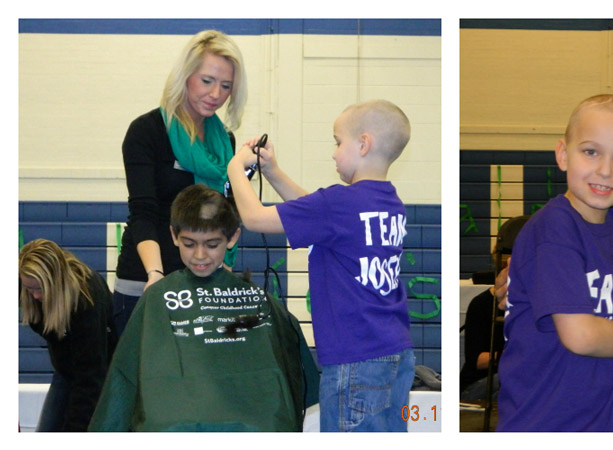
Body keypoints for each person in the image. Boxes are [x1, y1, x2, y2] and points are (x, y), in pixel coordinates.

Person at [227, 99, 414, 432]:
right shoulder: (389, 202)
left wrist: (234, 169)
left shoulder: (340, 203)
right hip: (396, 356)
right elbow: (314, 213)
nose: (333, 152)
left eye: (338, 141)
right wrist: (272, 172)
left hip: (355, 361)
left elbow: (254, 217)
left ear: (363, 143)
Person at [89, 184, 319, 431]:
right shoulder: (156, 298)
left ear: (232, 238)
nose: (200, 255)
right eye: (189, 244)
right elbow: (123, 379)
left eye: (211, 244)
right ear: (174, 236)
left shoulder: (260, 301)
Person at [496, 94, 613, 432]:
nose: (605, 170)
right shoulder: (554, 229)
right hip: (549, 420)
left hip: (610, 416)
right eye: (591, 151)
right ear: (563, 154)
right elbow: (580, 335)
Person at [113, 29, 247, 336]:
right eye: (207, 81)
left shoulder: (224, 142)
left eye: (226, 86)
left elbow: (226, 218)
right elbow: (143, 213)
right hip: (147, 281)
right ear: (185, 76)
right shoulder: (147, 131)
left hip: (203, 283)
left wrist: (223, 272)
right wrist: (155, 275)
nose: (216, 94)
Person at [19, 239, 118, 431]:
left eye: (39, 289)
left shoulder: (85, 300)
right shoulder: (26, 280)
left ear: (55, 281)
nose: (35, 296)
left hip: (96, 372)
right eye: (29, 289)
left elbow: (90, 377)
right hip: (65, 369)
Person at [460, 215, 529, 403]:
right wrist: (516, 355)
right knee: (515, 380)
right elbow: (476, 360)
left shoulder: (535, 304)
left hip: (512, 377)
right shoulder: (481, 304)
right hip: (478, 383)